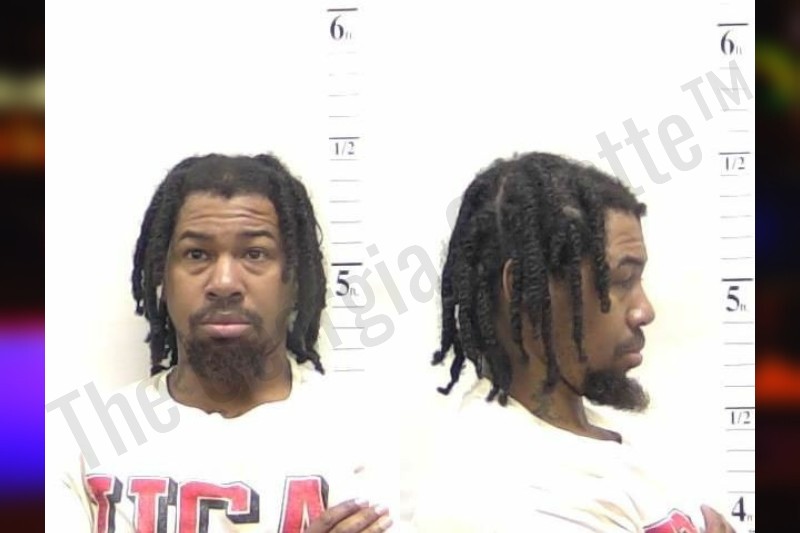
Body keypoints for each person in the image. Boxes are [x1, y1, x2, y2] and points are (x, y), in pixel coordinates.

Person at [49, 154, 397, 532]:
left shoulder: (357, 436)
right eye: (197, 254)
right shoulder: (81, 438)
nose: (225, 283)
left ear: (295, 278)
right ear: (162, 274)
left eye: (255, 254)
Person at [413, 152, 735, 532]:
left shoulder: (609, 436)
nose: (644, 311)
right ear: (527, 292)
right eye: (621, 280)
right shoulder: (503, 488)